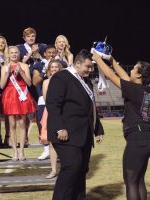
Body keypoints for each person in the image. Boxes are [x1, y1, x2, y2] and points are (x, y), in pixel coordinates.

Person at [92, 53, 150, 200]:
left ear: (140, 75)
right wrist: (111, 60)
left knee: (130, 182)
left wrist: (97, 59)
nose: (132, 69)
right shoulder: (145, 89)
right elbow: (125, 77)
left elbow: (111, 75)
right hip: (147, 139)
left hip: (138, 140)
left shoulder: (135, 90)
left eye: (135, 68)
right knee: (138, 180)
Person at [46, 49, 104, 200]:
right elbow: (53, 105)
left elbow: (90, 107)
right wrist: (60, 128)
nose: (90, 70)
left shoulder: (86, 80)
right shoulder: (61, 77)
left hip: (84, 134)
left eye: (92, 67)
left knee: (81, 169)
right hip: (65, 133)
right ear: (77, 64)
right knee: (72, 166)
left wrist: (97, 127)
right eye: (88, 67)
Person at [0, 46, 36, 161]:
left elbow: (29, 83)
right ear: (8, 54)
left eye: (16, 52)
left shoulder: (24, 65)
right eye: (12, 53)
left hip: (22, 95)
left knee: (22, 124)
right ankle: (14, 151)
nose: (14, 54)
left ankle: (21, 151)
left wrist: (21, 71)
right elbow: (1, 86)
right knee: (12, 125)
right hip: (10, 95)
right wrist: (7, 73)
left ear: (19, 54)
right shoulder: (5, 67)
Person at [32, 45, 57, 160]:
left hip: (58, 99)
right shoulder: (38, 64)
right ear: (45, 54)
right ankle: (47, 149)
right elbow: (35, 81)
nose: (51, 54)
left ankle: (58, 149)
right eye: (49, 52)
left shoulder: (59, 64)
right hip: (43, 99)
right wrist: (44, 70)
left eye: (53, 52)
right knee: (43, 125)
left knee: (58, 124)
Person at [40, 60, 63, 178]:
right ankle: (54, 170)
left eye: (56, 67)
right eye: (52, 67)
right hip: (50, 113)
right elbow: (46, 99)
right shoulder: (46, 82)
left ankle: (65, 170)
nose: (54, 69)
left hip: (64, 113)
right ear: (49, 69)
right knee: (52, 142)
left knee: (65, 143)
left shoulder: (65, 81)